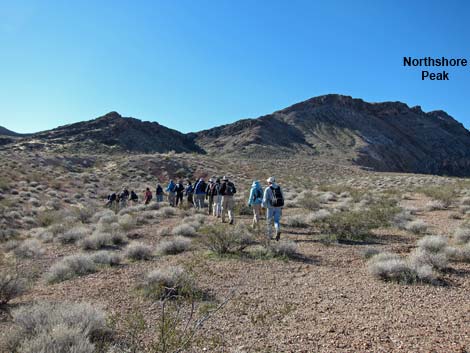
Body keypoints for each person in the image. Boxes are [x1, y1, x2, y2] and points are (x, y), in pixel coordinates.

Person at [262, 176, 284, 241]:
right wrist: (281, 206)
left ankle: (269, 236)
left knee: (269, 222)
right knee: (276, 221)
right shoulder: (279, 188)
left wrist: (263, 206)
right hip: (278, 207)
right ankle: (278, 229)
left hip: (270, 207)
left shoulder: (267, 189)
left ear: (269, 182)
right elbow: (282, 197)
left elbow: (265, 199)